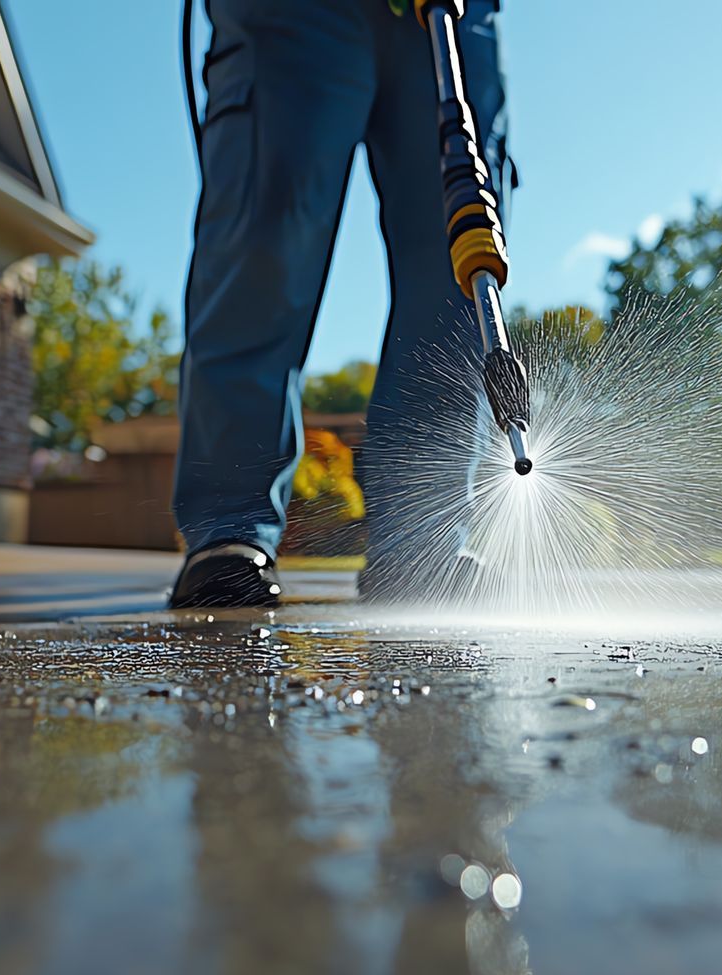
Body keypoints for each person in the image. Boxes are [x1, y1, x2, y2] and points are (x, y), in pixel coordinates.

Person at [169, 0, 510, 609]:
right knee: (264, 242)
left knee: (451, 266)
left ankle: (421, 541)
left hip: (450, 17)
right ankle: (229, 531)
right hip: (293, 18)